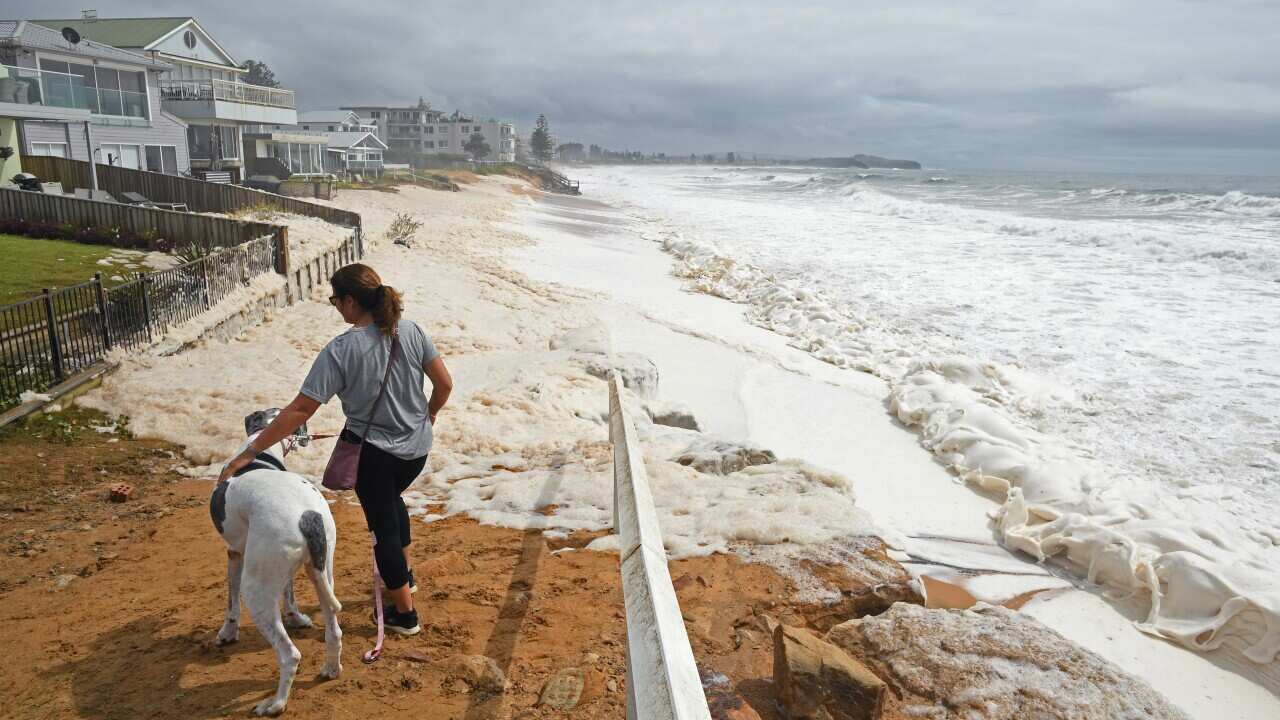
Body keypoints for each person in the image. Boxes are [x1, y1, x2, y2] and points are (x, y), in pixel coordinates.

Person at [219, 263, 453, 636]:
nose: (336, 308)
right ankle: (404, 577)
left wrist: (250, 452)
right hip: (417, 449)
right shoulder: (411, 330)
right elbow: (444, 384)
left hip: (375, 455)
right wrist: (430, 416)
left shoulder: (341, 350)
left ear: (349, 301)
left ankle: (404, 614)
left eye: (335, 301)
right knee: (393, 505)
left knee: (383, 529)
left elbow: (300, 410)